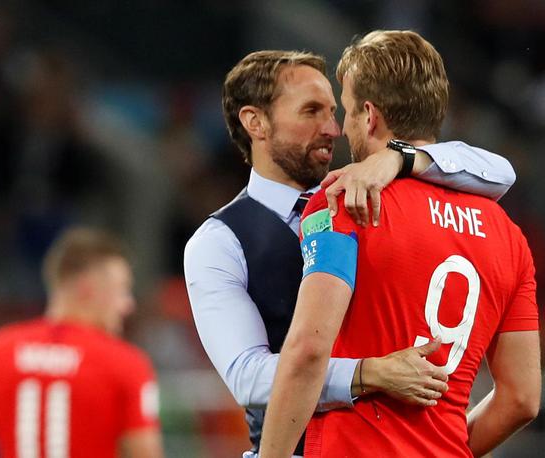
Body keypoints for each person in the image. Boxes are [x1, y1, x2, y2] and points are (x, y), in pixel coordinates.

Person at [184, 49, 517, 457]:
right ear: (255, 122)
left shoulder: (362, 196)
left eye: (333, 111)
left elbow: (500, 171)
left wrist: (401, 156)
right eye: (311, 112)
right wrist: (369, 373)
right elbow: (247, 378)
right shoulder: (218, 241)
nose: (333, 129)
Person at [259, 30, 541, 458]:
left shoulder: (348, 200)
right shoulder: (508, 234)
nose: (340, 127)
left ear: (370, 116)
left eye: (349, 111)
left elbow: (308, 350)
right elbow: (522, 398)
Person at [0, 228, 163, 458]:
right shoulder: (126, 363)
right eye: (122, 290)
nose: (128, 305)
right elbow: (145, 453)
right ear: (87, 288)